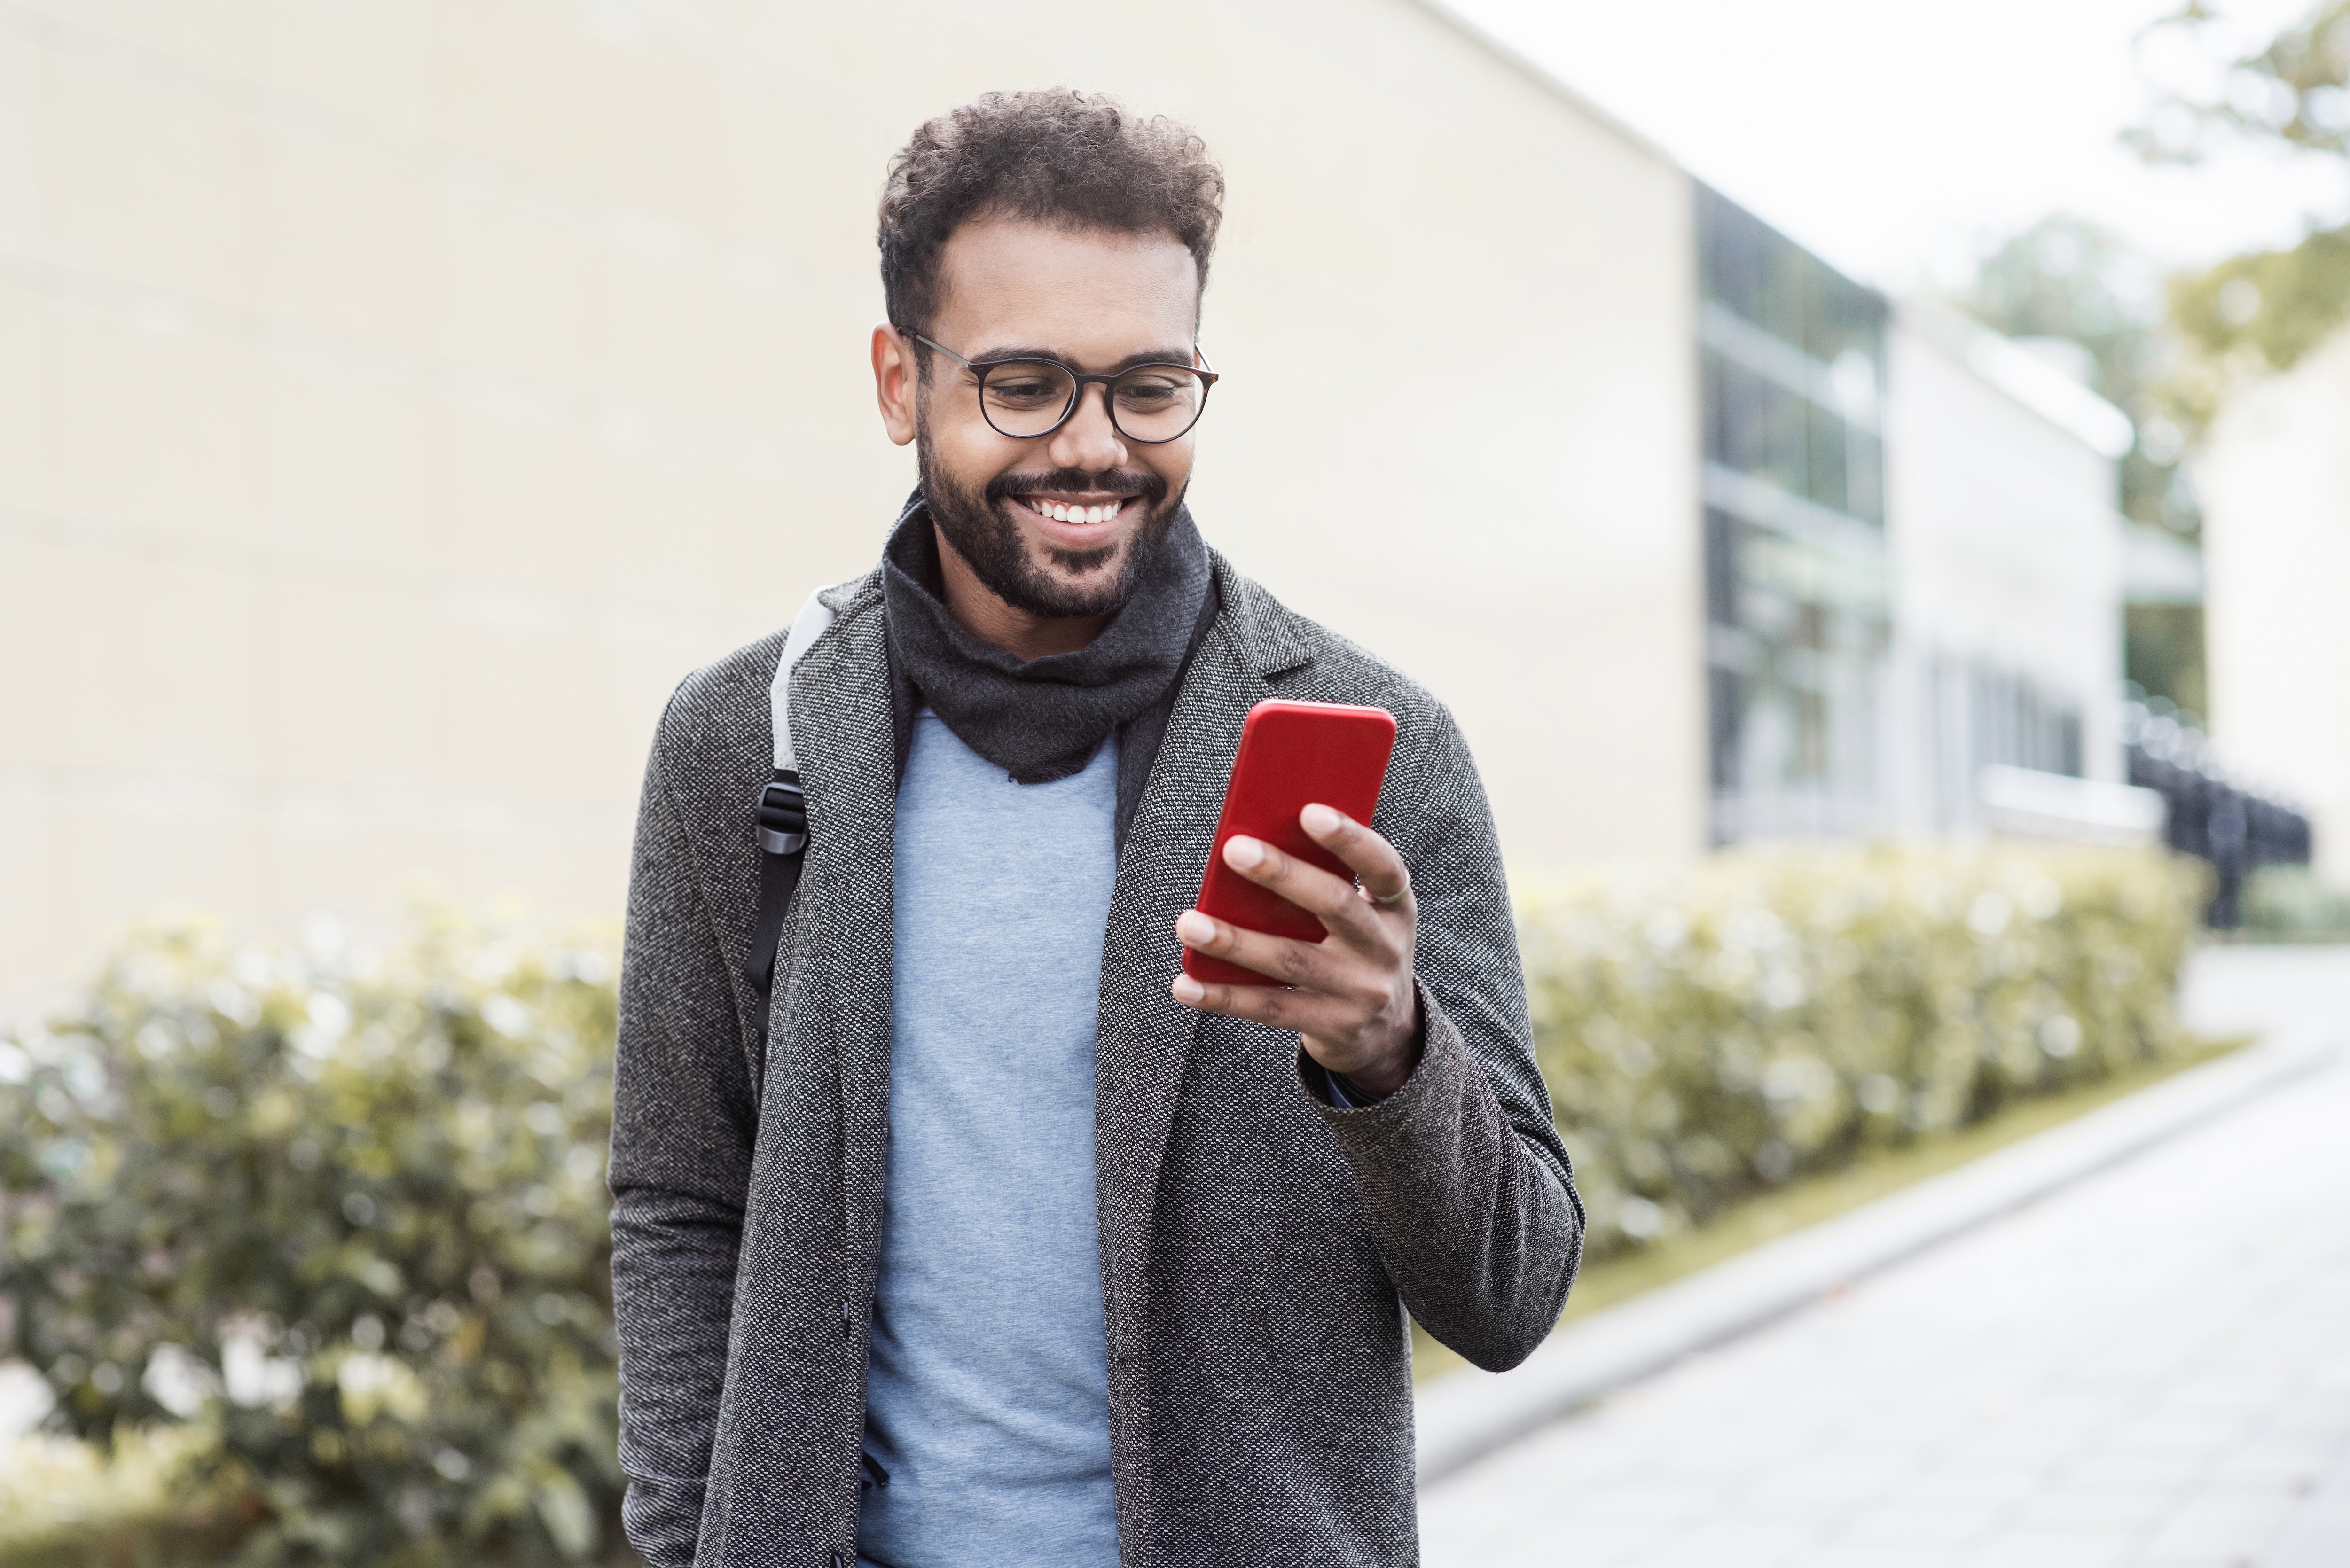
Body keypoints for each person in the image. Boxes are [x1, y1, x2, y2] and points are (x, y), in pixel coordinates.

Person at [608, 88, 1583, 1568]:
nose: (1095, 447)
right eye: (1022, 384)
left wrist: (1390, 1055)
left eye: (1148, 386)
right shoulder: (746, 739)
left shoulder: (1378, 755)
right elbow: (681, 1201)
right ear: (897, 381)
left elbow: (1512, 1292)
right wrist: (691, 1542)